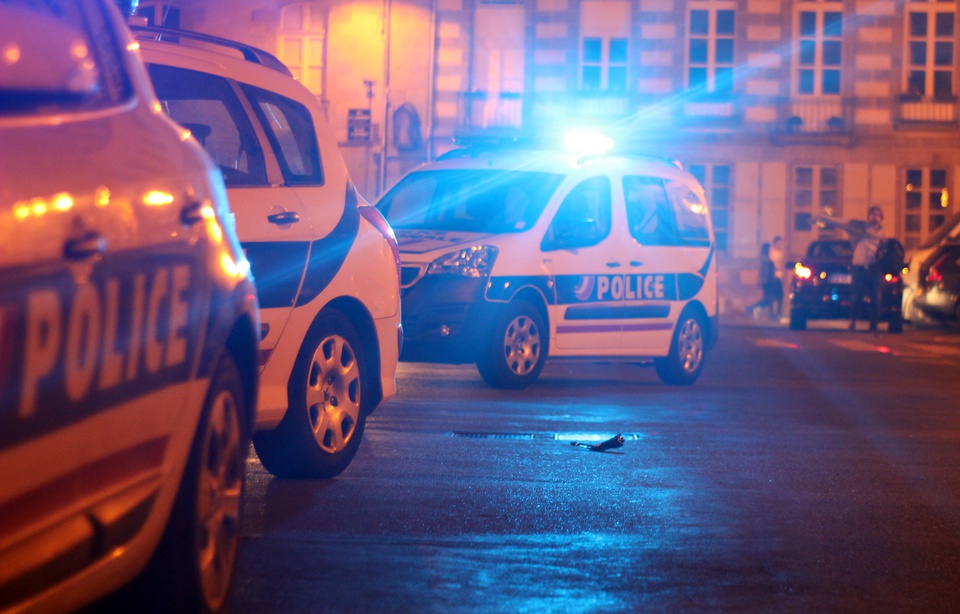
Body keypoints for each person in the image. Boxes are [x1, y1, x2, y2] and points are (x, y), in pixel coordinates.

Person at [819, 206, 886, 332]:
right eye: (873, 214)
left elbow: (887, 250)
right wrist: (822, 218)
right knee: (856, 297)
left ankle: (873, 328)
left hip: (874, 268)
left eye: (877, 215)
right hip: (859, 268)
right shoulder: (858, 228)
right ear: (868, 216)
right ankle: (853, 323)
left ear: (881, 218)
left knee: (876, 299)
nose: (875, 217)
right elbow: (840, 223)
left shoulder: (883, 234)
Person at [746, 242, 781, 320]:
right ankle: (771, 315)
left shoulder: (765, 258)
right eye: (769, 248)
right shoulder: (765, 259)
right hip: (767, 282)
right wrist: (764, 281)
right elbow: (764, 272)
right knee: (770, 299)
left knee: (768, 300)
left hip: (768, 281)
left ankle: (750, 308)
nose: (770, 250)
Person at [769, 235, 786, 319]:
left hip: (779, 276)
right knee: (773, 295)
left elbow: (781, 264)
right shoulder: (771, 253)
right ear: (775, 243)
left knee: (780, 296)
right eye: (779, 243)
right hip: (773, 276)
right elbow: (772, 265)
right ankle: (772, 314)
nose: (780, 245)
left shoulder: (780, 253)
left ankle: (778, 313)